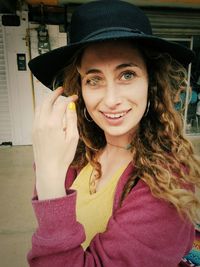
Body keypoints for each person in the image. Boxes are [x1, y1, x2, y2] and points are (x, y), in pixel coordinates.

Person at [27, 1, 200, 266]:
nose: (111, 100)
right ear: (80, 90)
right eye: (94, 80)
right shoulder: (80, 152)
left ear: (150, 83)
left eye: (127, 74)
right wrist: (50, 162)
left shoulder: (168, 180)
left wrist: (49, 177)